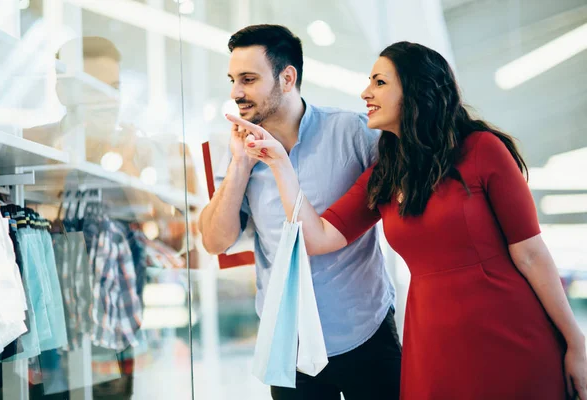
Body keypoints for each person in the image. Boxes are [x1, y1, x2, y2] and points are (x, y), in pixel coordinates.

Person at [227, 41, 587, 400]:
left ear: (417, 89)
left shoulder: (482, 150)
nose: (366, 92)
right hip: (431, 341)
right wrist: (279, 163)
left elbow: (531, 254)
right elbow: (316, 237)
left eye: (380, 82)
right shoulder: (385, 175)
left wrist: (576, 343)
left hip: (508, 330)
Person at [199, 24, 401, 399]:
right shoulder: (236, 150)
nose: (235, 93)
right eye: (232, 79)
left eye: (248, 79)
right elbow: (215, 241)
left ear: (287, 78)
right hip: (287, 342)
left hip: (365, 331)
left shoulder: (353, 133)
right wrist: (240, 166)